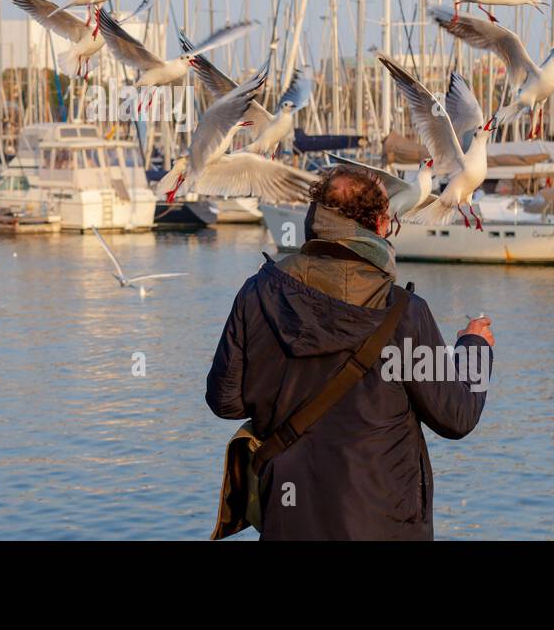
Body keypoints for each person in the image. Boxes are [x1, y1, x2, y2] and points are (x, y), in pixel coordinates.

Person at [206, 166, 494, 540]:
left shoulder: (256, 294)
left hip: (290, 521)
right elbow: (457, 416)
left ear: (316, 217)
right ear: (379, 224)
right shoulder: (404, 311)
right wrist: (475, 348)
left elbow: (225, 402)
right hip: (384, 525)